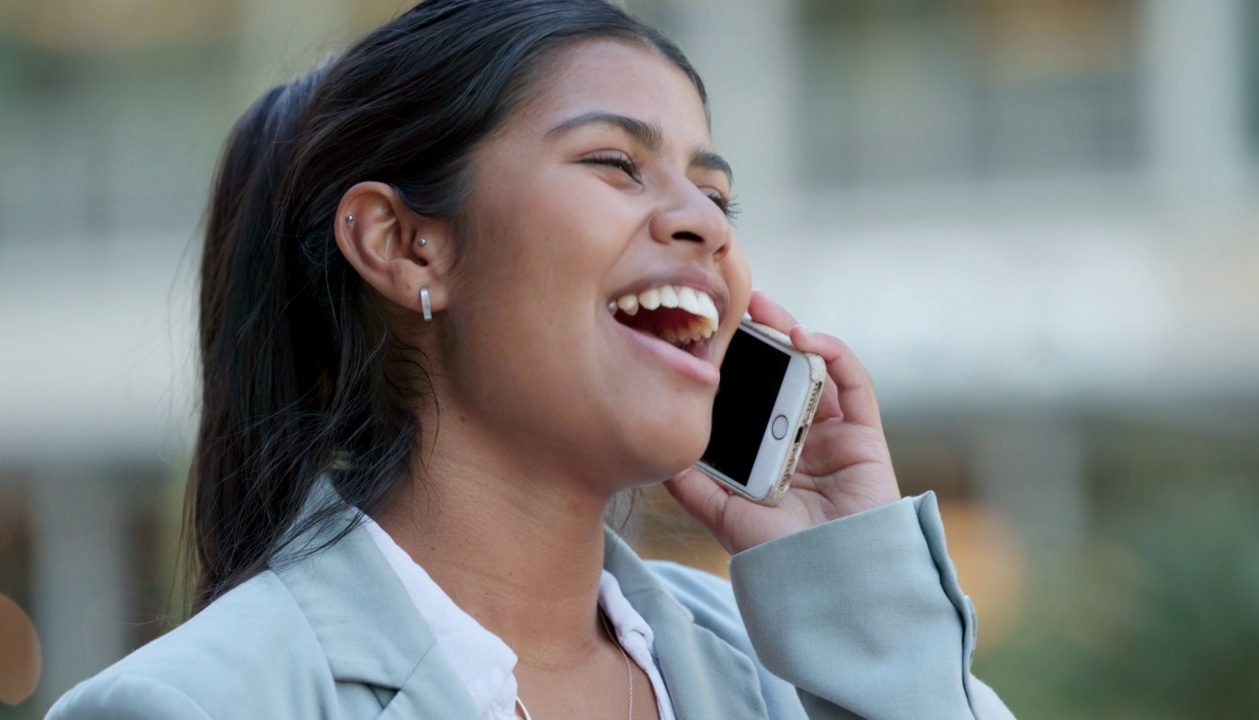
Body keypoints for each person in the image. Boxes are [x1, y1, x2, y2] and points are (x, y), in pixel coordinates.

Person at [47, 1, 1016, 718]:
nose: (700, 226)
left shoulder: (787, 671)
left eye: (717, 198)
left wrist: (852, 591)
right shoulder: (198, 704)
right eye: (613, 163)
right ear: (405, 244)